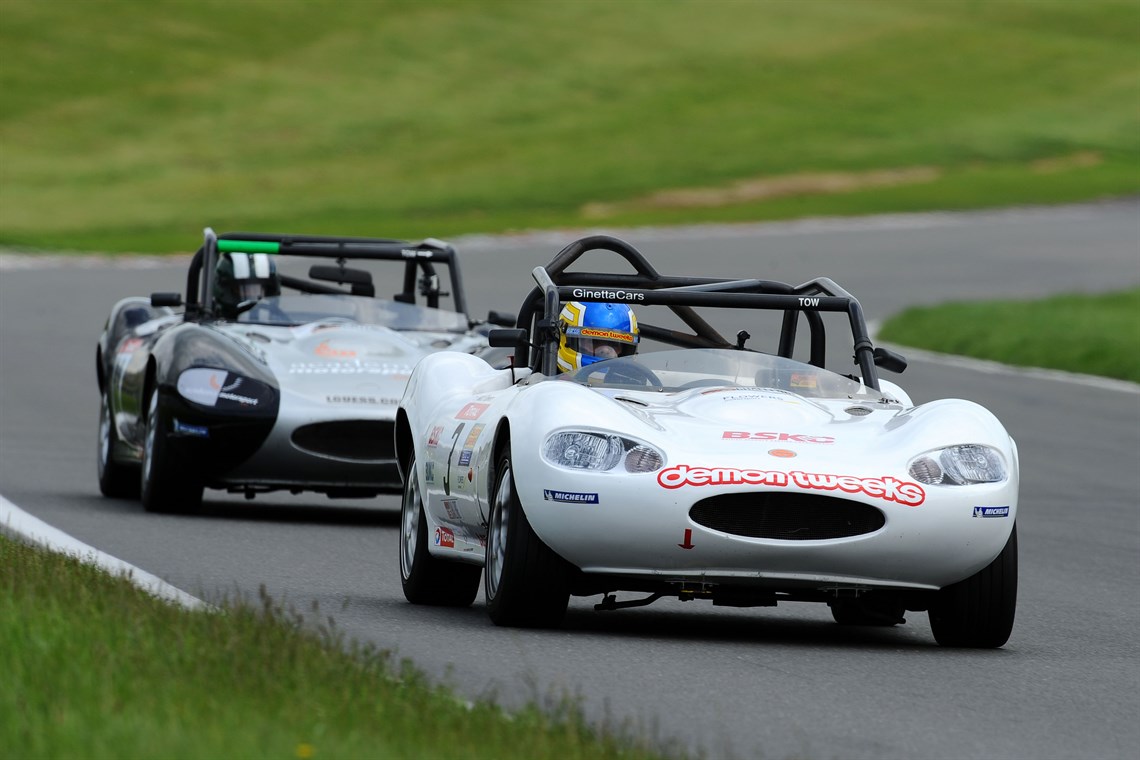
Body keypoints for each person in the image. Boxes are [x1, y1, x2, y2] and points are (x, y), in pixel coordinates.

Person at [556, 301, 640, 373]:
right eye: (595, 342)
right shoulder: (548, 383)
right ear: (563, 339)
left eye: (614, 344)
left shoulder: (635, 383)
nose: (606, 351)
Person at [212, 251, 281, 319]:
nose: (252, 298)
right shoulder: (210, 321)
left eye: (256, 290)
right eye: (246, 291)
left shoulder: (281, 321)